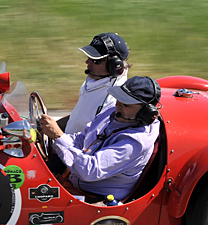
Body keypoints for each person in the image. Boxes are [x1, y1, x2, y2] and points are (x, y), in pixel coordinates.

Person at [38, 76, 161, 204]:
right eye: (119, 98)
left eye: (125, 103)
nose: (118, 104)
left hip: (94, 199)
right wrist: (47, 141)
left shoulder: (135, 142)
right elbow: (81, 139)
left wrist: (58, 136)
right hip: (71, 182)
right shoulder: (111, 113)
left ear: (145, 112)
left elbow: (89, 170)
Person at [60, 32, 131, 135]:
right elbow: (77, 119)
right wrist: (45, 126)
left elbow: (90, 142)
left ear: (114, 66)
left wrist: (56, 134)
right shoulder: (93, 82)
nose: (87, 62)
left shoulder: (113, 103)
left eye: (95, 60)